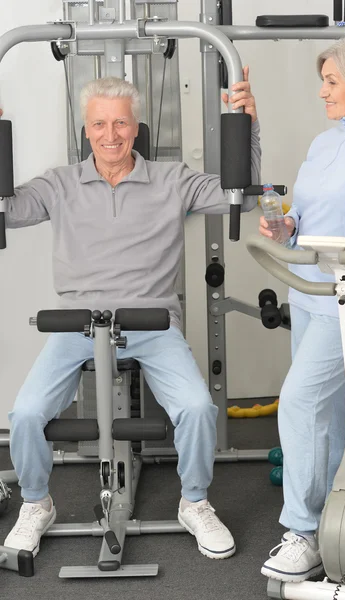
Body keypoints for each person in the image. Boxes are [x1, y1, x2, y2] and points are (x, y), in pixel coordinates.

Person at [2, 67, 260, 559]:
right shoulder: (59, 184)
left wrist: (247, 123)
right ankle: (36, 504)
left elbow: (241, 196)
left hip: (152, 321)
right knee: (27, 413)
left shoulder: (172, 179)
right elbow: (6, 210)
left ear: (136, 127)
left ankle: (195, 501)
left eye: (120, 124)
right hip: (77, 322)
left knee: (197, 408)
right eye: (99, 125)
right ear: (86, 129)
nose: (111, 135)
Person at [259, 36, 345, 582]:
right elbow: (309, 213)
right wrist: (287, 225)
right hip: (312, 291)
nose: (322, 91)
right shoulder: (324, 142)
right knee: (332, 413)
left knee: (299, 403)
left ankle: (302, 532)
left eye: (332, 81)